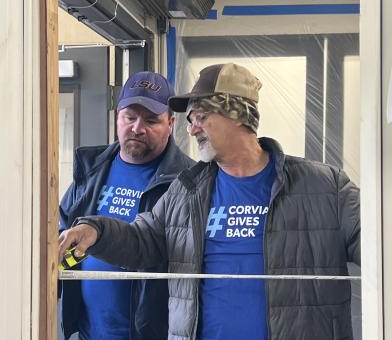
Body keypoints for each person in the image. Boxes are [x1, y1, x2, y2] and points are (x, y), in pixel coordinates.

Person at [59, 63, 360, 340]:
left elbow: (377, 243)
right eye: (190, 120)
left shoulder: (324, 186)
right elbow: (144, 240)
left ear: (238, 116)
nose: (191, 129)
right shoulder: (186, 189)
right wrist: (95, 231)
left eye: (202, 117)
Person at [58, 71, 195, 340]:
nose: (137, 128)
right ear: (117, 116)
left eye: (151, 120)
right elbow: (62, 233)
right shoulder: (91, 169)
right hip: (88, 331)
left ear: (170, 122)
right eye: (129, 117)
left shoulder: (189, 181)